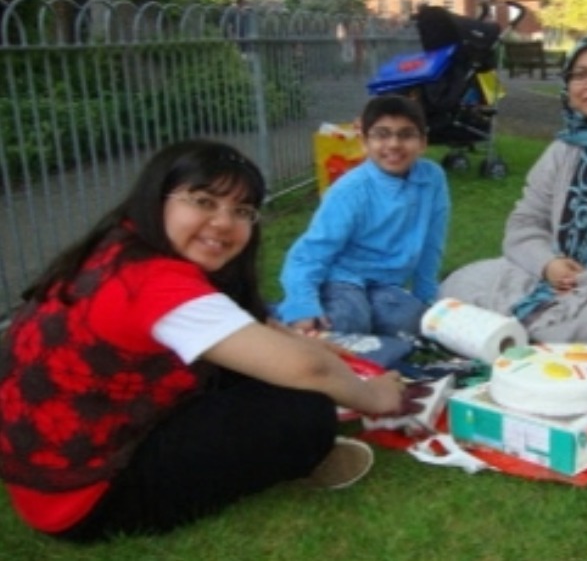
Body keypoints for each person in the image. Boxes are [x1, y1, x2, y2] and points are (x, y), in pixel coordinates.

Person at [0, 140, 420, 542]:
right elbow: (308, 369)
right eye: (203, 201)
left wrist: (303, 343)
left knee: (269, 370)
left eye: (242, 211)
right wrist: (375, 396)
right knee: (304, 412)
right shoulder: (157, 284)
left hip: (54, 470)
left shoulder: (124, 245)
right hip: (87, 497)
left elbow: (251, 326)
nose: (223, 222)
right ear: (158, 197)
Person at [438, 34, 587, 357]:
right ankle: (542, 340)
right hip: (554, 273)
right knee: (460, 284)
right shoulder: (566, 147)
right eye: (581, 75)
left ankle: (510, 336)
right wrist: (548, 264)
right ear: (568, 86)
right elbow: (525, 222)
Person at [276, 95, 450, 358]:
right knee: (348, 320)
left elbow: (431, 243)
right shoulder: (350, 190)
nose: (394, 144)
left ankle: (375, 332)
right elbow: (309, 253)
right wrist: (302, 306)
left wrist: (426, 298)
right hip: (341, 276)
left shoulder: (432, 178)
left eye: (406, 135)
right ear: (364, 142)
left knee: (414, 321)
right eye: (382, 135)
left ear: (423, 142)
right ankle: (292, 318)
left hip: (384, 284)